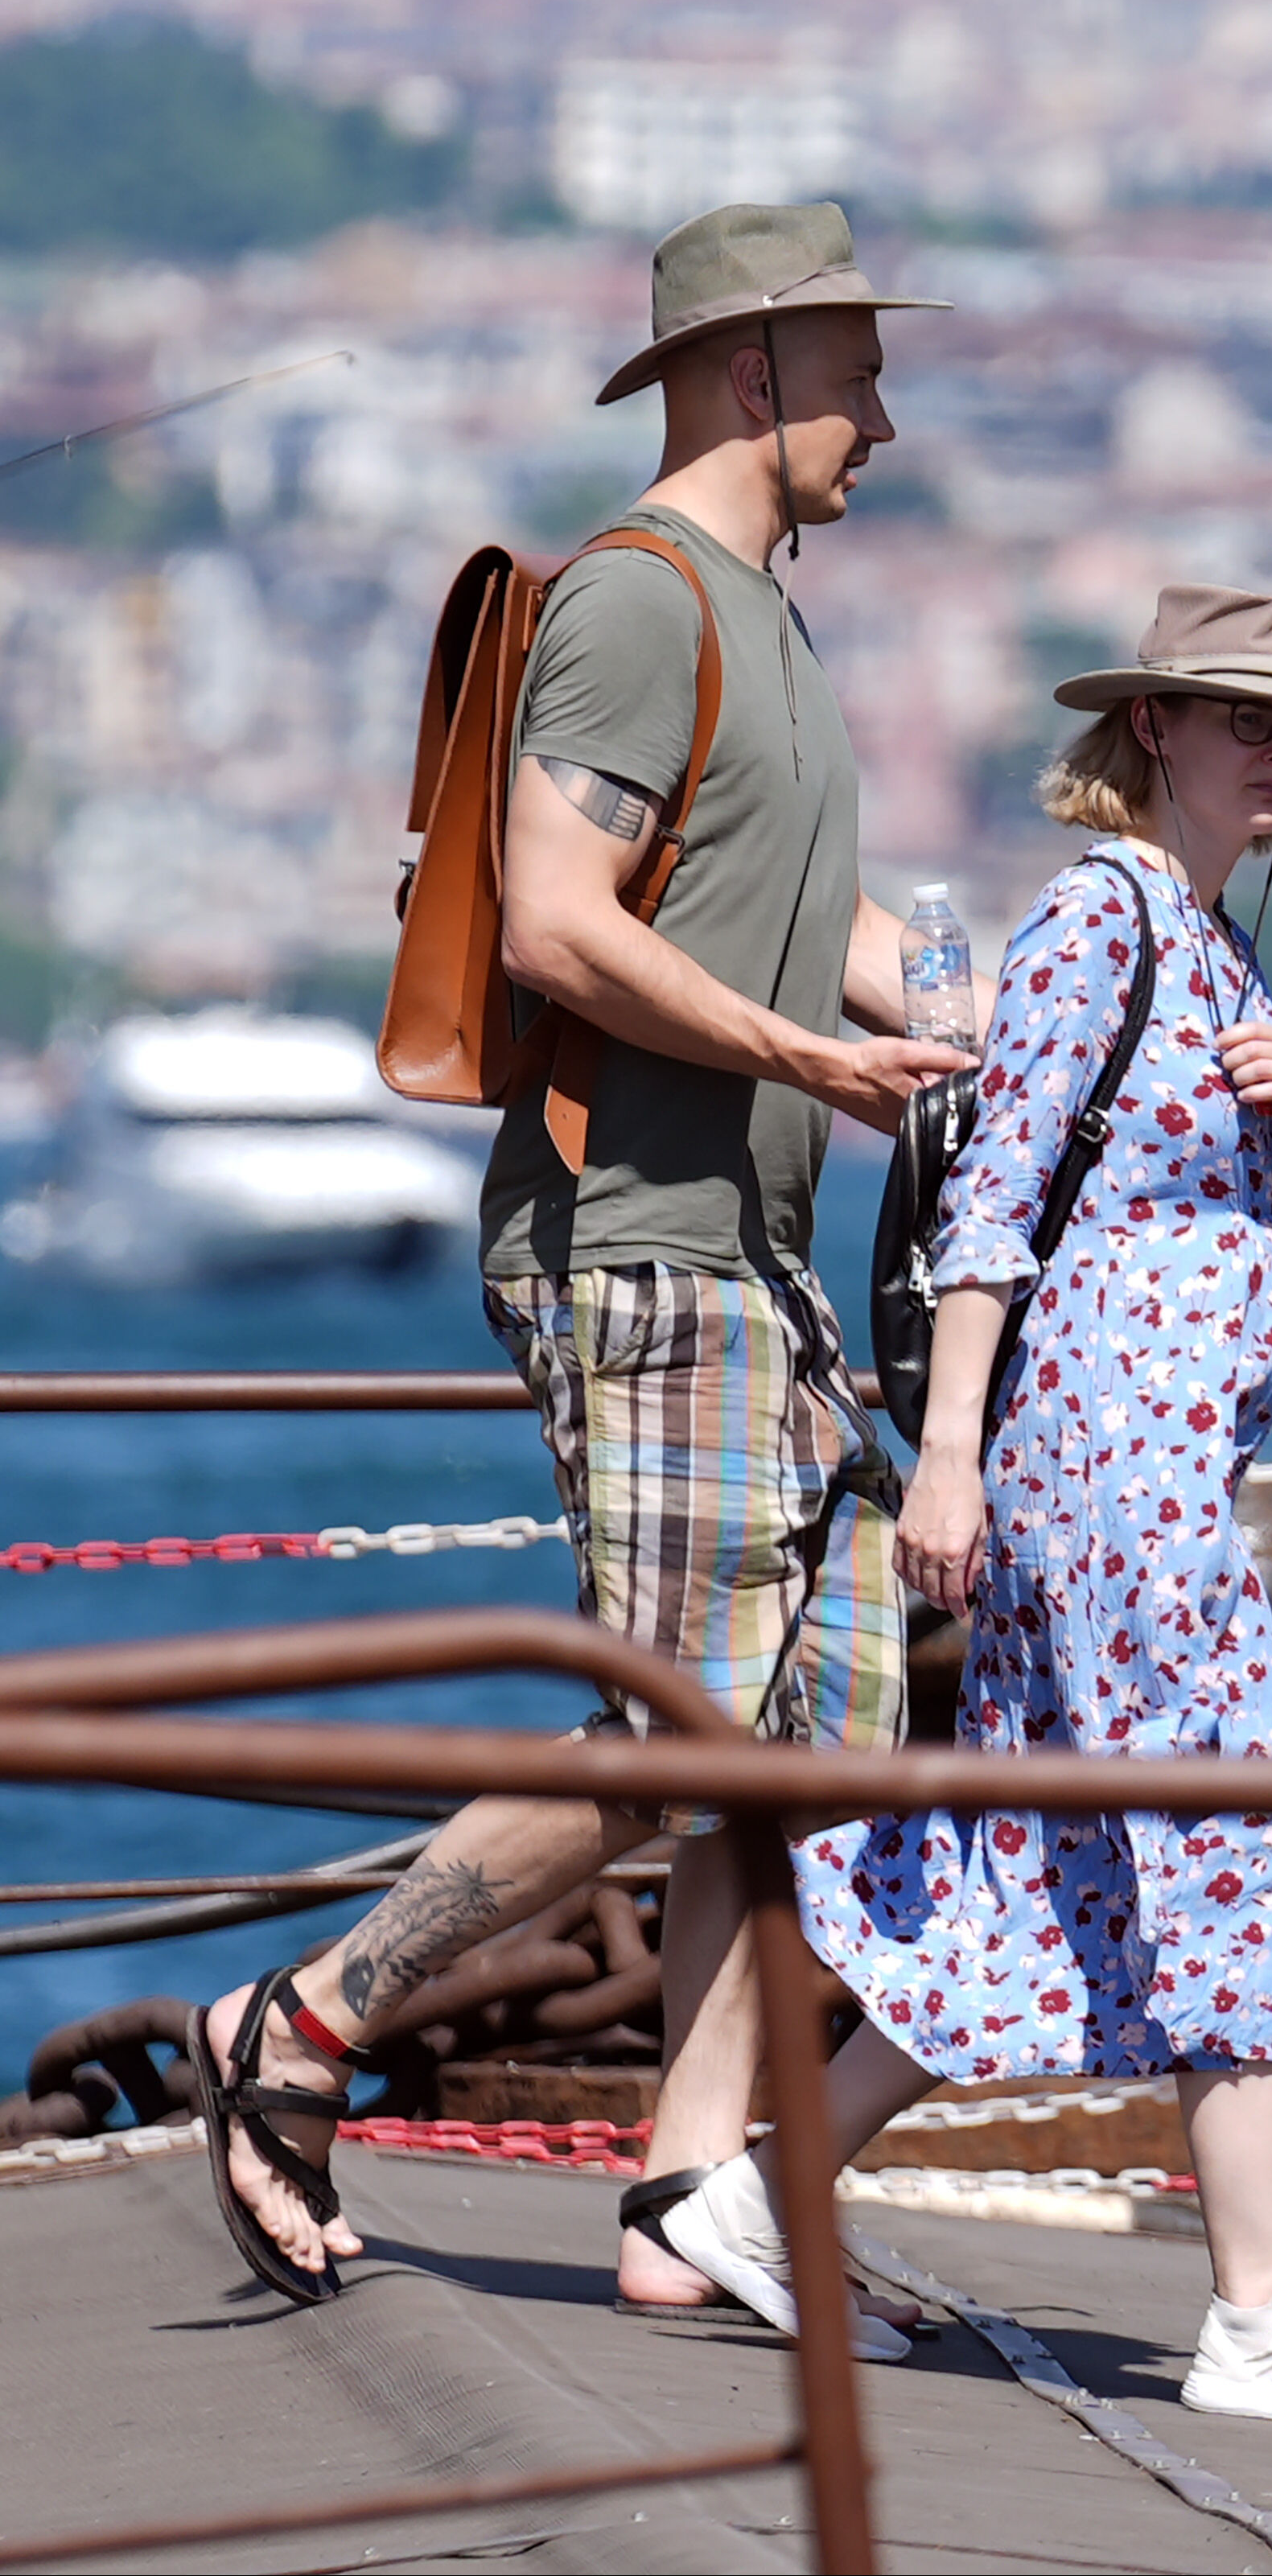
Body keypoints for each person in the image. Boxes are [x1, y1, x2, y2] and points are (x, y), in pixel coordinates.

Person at [191, 200, 968, 2350]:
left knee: (801, 1742)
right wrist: (816, 1048)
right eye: (856, 375)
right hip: (646, 1244)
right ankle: (305, 2012)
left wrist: (1003, 1011)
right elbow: (554, 914)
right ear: (754, 378)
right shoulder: (640, 608)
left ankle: (690, 2186)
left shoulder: (766, 625)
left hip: (750, 1258)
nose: (883, 419)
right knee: (676, 1725)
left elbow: (800, 927)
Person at [673, 585, 1272, 2428]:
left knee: (1040, 1889)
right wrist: (944, 1446)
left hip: (1152, 1466)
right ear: (1151, 735)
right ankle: (1258, 2308)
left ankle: (760, 2190)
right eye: (1241, 719)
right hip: (1105, 1474)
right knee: (1236, 1842)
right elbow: (993, 1200)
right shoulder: (1101, 920)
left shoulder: (1212, 953)